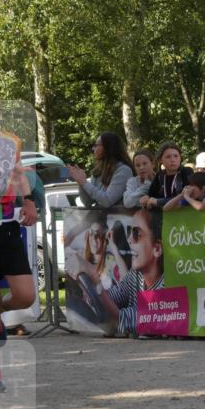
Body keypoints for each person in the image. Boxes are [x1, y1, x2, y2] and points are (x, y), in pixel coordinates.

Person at [0, 86, 38, 393]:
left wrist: (29, 201)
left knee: (24, 295)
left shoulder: (11, 142)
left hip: (5, 225)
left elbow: (17, 174)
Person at [88, 207, 165, 337]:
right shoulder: (136, 275)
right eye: (130, 232)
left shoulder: (167, 285)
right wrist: (92, 294)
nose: (129, 239)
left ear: (156, 248)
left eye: (137, 234)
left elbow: (124, 319)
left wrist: (92, 278)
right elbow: (116, 295)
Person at [69, 132, 134, 208]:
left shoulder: (124, 170)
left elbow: (107, 201)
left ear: (108, 147)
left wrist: (84, 182)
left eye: (96, 145)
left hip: (118, 219)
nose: (93, 149)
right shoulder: (98, 171)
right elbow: (87, 202)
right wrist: (81, 182)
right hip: (99, 219)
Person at [141, 142, 193, 209]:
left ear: (180, 158)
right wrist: (146, 198)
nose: (172, 160)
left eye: (176, 156)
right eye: (168, 157)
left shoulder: (187, 171)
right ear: (160, 160)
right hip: (164, 216)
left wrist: (158, 202)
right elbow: (151, 197)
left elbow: (188, 197)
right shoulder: (159, 175)